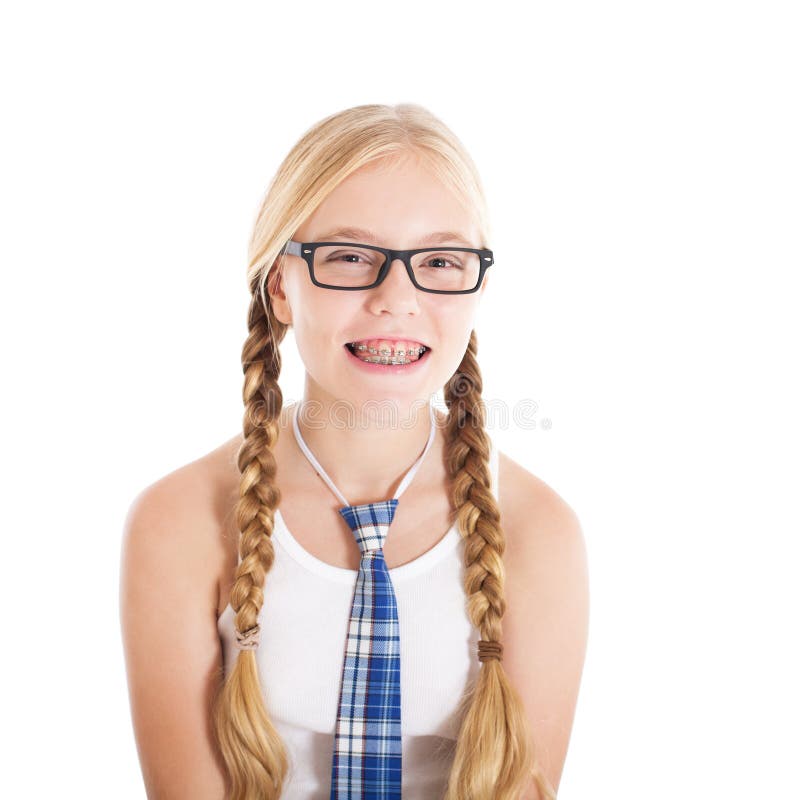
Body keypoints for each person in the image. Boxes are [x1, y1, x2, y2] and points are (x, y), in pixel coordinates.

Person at [120, 103, 589, 800]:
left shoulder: (538, 529)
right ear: (281, 284)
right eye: (349, 257)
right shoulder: (179, 521)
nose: (396, 299)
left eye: (438, 260)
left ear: (478, 285)